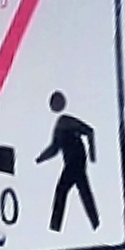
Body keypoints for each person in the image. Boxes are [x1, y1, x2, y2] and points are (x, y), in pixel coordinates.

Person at [35, 91, 100, 231]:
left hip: (76, 161)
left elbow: (89, 131)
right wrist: (40, 158)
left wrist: (92, 155)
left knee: (62, 190)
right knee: (83, 191)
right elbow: (54, 148)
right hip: (71, 162)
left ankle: (55, 227)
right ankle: (96, 224)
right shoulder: (59, 125)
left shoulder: (67, 121)